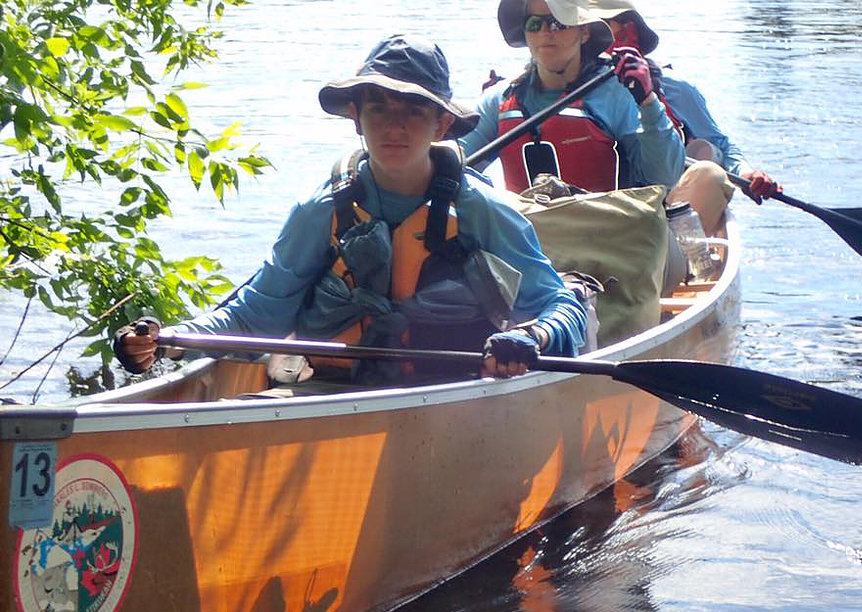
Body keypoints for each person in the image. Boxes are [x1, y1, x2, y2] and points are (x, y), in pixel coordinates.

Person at [114, 34, 586, 383]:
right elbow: (255, 313)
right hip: (340, 394)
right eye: (378, 108)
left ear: (441, 124)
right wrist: (169, 340)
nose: (394, 126)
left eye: (413, 110)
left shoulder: (482, 210)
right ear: (356, 119)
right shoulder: (319, 212)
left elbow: (560, 305)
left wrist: (532, 338)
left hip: (456, 393)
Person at [588, 0, 781, 233]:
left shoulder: (675, 88)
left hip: (668, 214)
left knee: (710, 171)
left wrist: (746, 174)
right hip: (598, 214)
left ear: (629, 31)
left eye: (601, 26)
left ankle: (681, 250)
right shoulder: (564, 94)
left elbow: (721, 145)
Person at [459, 0, 685, 194]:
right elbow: (456, 160)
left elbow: (664, 178)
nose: (545, 32)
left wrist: (648, 102)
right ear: (525, 34)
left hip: (607, 229)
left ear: (584, 32)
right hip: (521, 230)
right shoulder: (499, 99)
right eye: (534, 24)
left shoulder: (617, 93)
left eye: (558, 23)